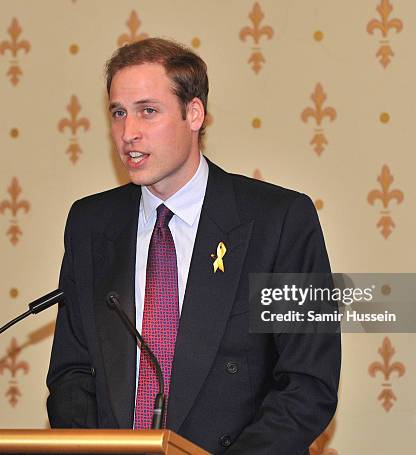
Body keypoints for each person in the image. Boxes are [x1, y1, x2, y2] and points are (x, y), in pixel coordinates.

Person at [46, 37, 341, 454]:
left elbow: (307, 384)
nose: (129, 133)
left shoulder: (279, 221)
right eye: (118, 113)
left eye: (148, 111)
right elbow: (71, 375)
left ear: (194, 113)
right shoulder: (90, 224)